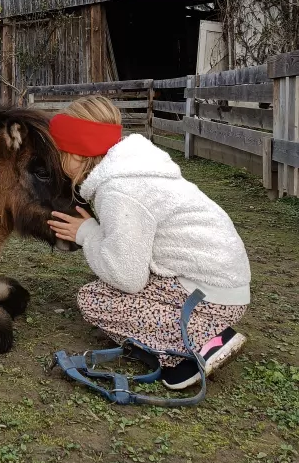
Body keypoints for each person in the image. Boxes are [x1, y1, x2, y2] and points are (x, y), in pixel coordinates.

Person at [47, 96, 251, 390]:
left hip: (212, 296)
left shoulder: (119, 190)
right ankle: (196, 336)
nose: (56, 160)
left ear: (78, 154)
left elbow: (128, 278)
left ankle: (200, 343)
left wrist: (88, 233)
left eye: (59, 151)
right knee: (107, 287)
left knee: (95, 299)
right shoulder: (135, 168)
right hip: (223, 282)